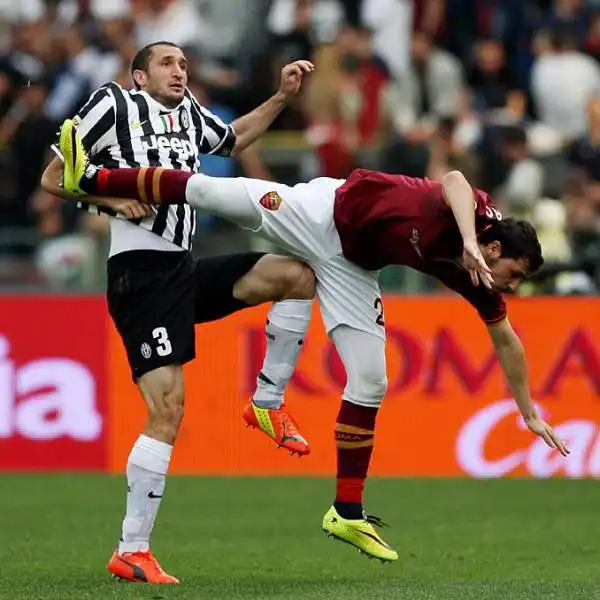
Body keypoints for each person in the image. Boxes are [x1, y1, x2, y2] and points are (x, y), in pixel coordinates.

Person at [57, 123, 571, 564]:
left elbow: (506, 338)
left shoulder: (477, 278)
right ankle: (93, 177)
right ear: (494, 247)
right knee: (210, 191)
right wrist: (464, 236)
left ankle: (345, 511)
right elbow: (456, 179)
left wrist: (527, 412)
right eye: (515, 273)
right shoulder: (476, 217)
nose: (513, 284)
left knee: (372, 379)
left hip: (352, 266)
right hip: (321, 211)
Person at [41, 41, 317, 584]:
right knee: (168, 410)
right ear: (139, 75)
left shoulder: (190, 112)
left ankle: (266, 403)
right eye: (167, 63)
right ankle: (132, 549)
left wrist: (282, 96)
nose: (180, 71)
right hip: (140, 272)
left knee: (296, 275)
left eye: (185, 64)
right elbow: (55, 177)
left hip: (184, 268)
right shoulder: (112, 104)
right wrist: (110, 201)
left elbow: (234, 140)